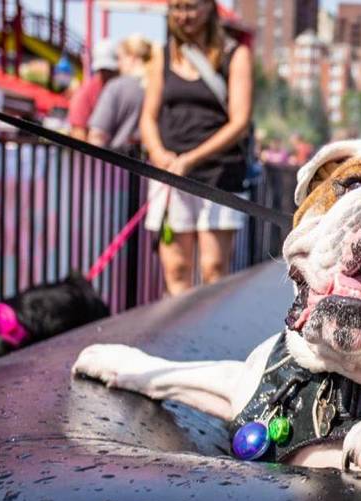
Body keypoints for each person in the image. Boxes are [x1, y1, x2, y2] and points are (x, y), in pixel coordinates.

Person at [140, 0, 253, 296]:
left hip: (218, 174)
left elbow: (239, 121)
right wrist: (160, 154)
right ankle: (178, 338)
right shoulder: (160, 56)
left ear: (208, 8)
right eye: (176, 8)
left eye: (190, 7)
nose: (183, 15)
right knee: (175, 269)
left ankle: (209, 337)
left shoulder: (235, 54)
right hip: (171, 174)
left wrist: (191, 159)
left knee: (213, 268)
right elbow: (148, 118)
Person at [88, 35, 153, 150]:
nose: (118, 64)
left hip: (119, 162)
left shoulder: (116, 87)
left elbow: (97, 135)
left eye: (120, 58)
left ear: (132, 58)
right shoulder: (160, 87)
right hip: (151, 162)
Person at [68, 40, 119, 141]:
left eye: (110, 70)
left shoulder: (118, 89)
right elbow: (78, 134)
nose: (107, 74)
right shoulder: (84, 94)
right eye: (104, 70)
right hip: (94, 153)